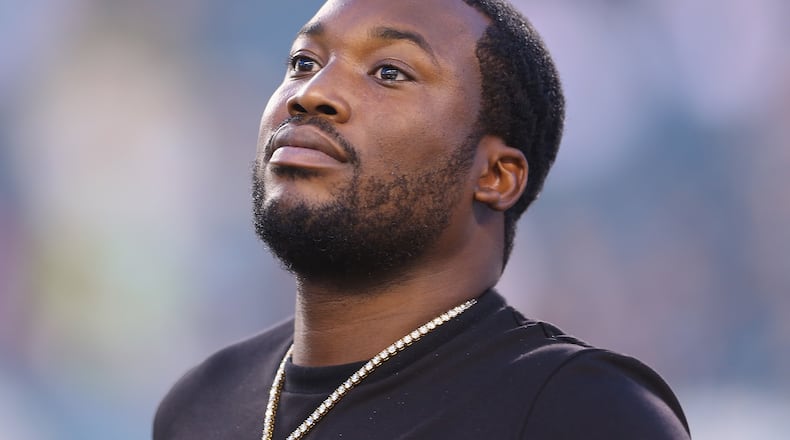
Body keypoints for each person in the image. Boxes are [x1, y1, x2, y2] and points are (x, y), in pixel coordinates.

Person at [154, 0, 691, 438]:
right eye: (303, 62)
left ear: (496, 176)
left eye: (389, 72)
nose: (312, 94)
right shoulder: (200, 405)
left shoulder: (576, 410)